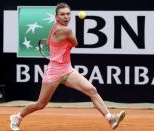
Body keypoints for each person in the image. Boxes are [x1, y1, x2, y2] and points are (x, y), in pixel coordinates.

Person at [10, 2, 125, 130]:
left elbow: (48, 42)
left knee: (92, 90)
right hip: (54, 72)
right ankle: (17, 117)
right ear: (56, 16)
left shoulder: (54, 26)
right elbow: (75, 43)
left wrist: (58, 45)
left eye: (68, 14)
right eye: (62, 14)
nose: (66, 17)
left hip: (67, 70)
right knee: (40, 104)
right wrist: (65, 42)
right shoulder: (66, 30)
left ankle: (110, 118)